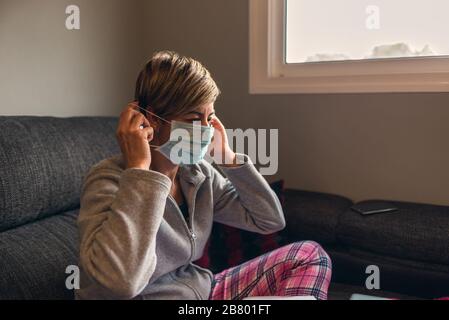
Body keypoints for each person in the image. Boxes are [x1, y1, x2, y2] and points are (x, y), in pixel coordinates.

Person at [76, 50, 332, 300]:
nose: (206, 130)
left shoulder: (197, 175)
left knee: (309, 255)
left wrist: (229, 160)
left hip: (202, 291)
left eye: (210, 118)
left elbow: (269, 220)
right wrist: (140, 173)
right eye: (194, 118)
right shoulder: (108, 180)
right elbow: (121, 284)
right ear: (152, 119)